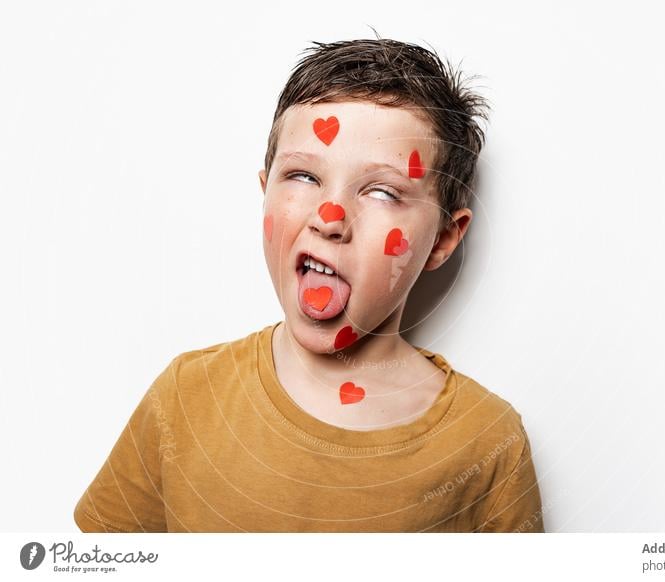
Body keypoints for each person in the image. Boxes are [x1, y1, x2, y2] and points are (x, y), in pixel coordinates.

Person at [73, 36, 545, 533]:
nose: (330, 217)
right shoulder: (186, 398)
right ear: (264, 193)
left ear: (442, 239)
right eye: (302, 176)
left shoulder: (487, 443)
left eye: (383, 190)